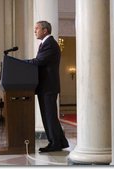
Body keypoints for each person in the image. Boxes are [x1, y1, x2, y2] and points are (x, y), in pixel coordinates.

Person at [25, 20, 69, 152]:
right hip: (46, 86)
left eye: (36, 29)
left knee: (49, 116)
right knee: (49, 116)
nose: (35, 31)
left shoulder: (50, 44)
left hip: (49, 86)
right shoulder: (45, 44)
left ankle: (55, 143)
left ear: (45, 30)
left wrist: (23, 63)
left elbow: (39, 61)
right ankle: (59, 142)